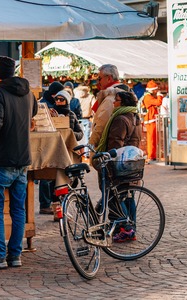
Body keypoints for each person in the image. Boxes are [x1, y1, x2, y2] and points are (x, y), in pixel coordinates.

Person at [0, 56, 38, 269]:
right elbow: (34, 112)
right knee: (18, 209)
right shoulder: (27, 91)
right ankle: (15, 256)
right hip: (23, 158)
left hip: (2, 157)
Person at [95, 91, 142, 242]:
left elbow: (116, 143)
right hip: (131, 163)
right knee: (128, 196)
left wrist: (106, 160)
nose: (114, 103)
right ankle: (130, 228)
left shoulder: (121, 119)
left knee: (116, 197)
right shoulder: (134, 116)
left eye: (116, 100)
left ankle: (125, 228)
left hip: (120, 164)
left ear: (123, 103)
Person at [38, 89, 84, 217]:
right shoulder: (50, 113)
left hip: (68, 153)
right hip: (54, 151)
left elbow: (80, 134)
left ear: (67, 101)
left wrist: (69, 134)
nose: (58, 101)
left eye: (61, 99)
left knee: (69, 179)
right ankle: (57, 211)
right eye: (57, 99)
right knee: (54, 180)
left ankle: (64, 207)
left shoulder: (72, 115)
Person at [89, 64, 128, 148]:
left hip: (107, 146)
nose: (98, 82)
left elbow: (101, 125)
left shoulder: (111, 98)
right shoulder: (122, 94)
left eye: (99, 78)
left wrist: (92, 142)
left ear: (109, 78)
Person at [141, 80, 163, 163]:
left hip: (151, 120)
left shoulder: (148, 96)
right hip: (150, 120)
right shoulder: (148, 97)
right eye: (155, 90)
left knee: (153, 139)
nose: (156, 91)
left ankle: (152, 155)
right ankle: (151, 156)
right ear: (152, 90)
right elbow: (158, 102)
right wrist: (159, 95)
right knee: (151, 139)